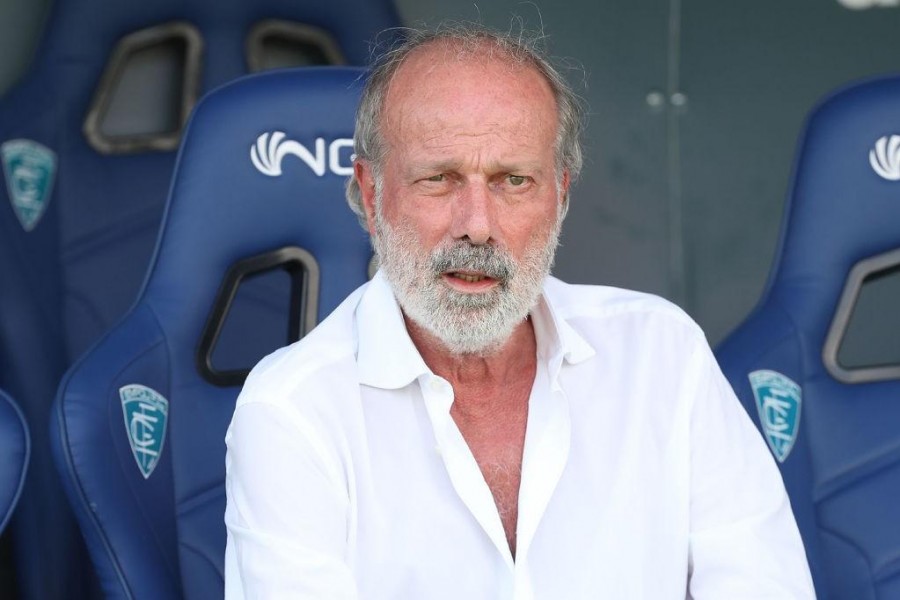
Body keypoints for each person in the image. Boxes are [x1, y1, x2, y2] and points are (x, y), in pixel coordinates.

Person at [224, 22, 815, 599]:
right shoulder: (292, 411)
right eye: (438, 178)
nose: (477, 226)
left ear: (560, 194)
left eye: (513, 180)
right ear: (373, 193)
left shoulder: (662, 354)